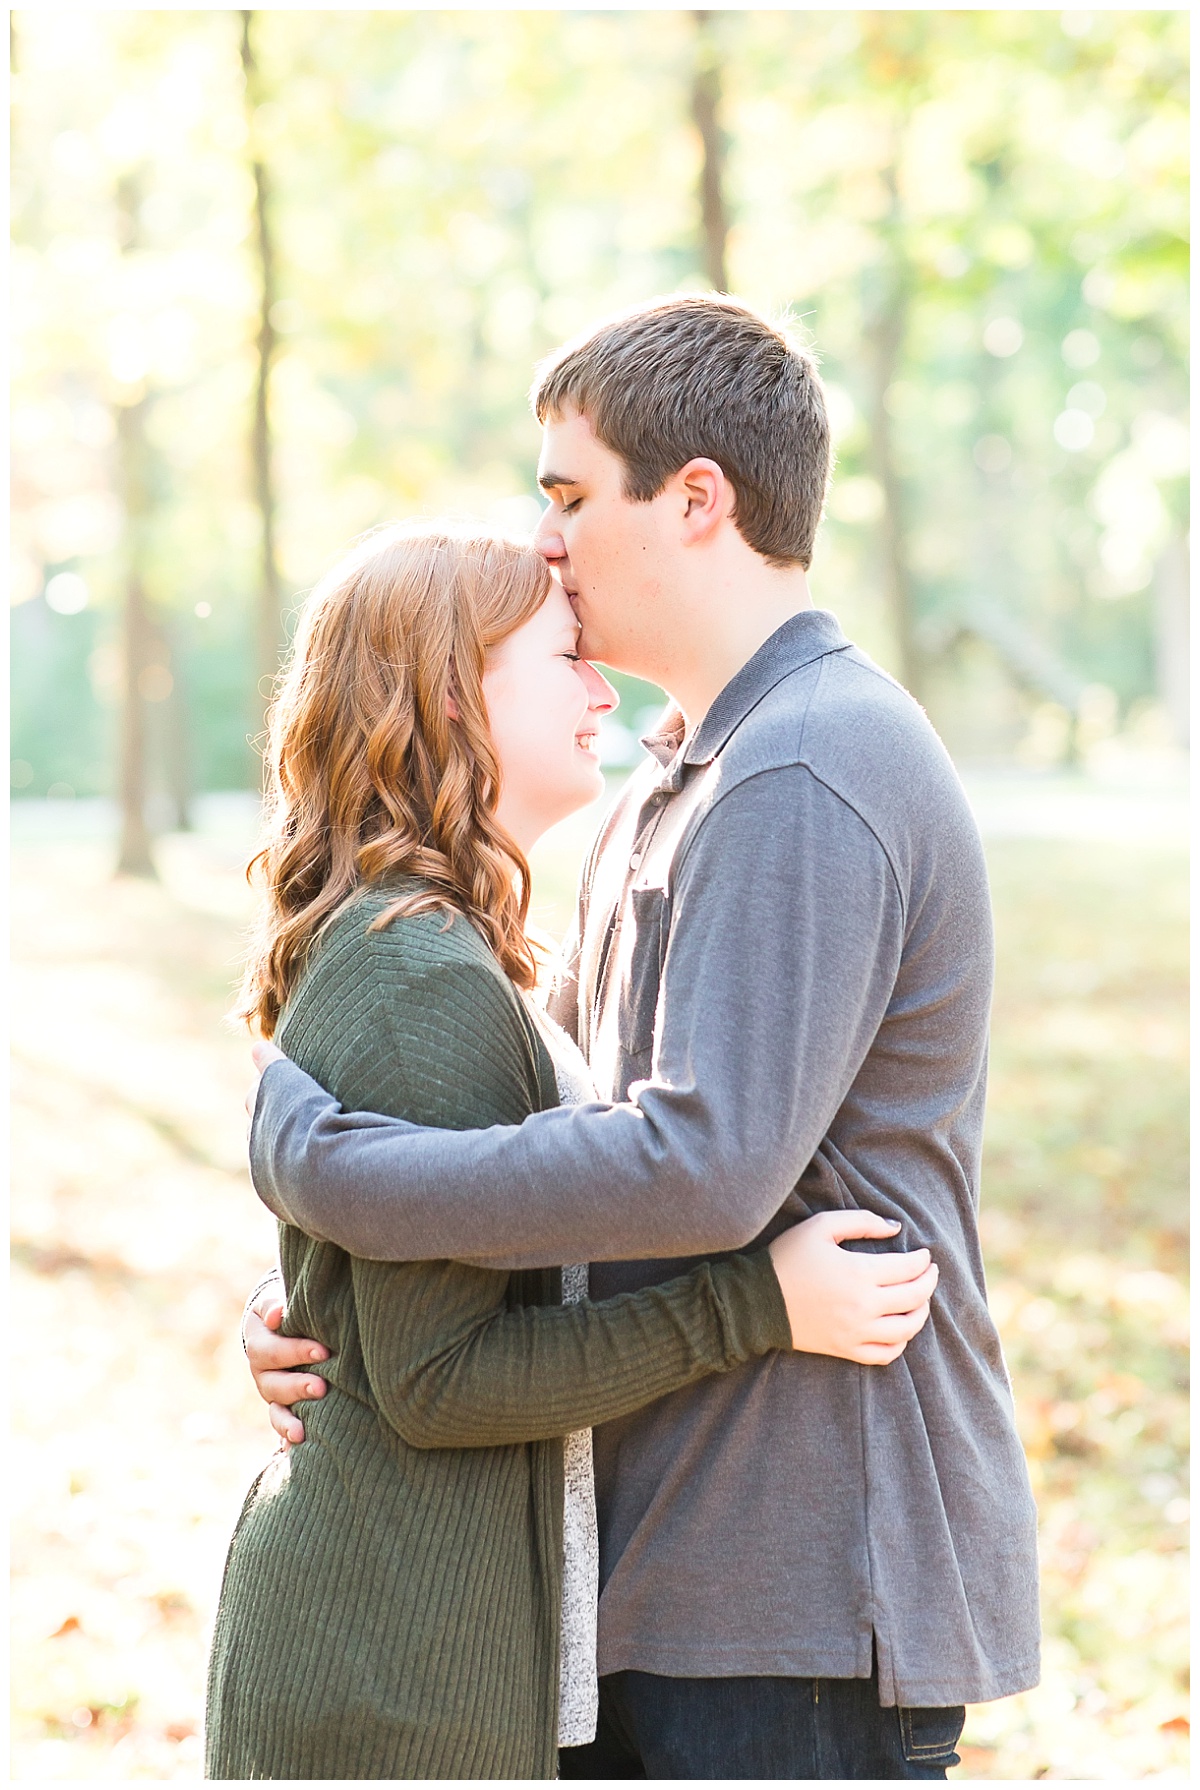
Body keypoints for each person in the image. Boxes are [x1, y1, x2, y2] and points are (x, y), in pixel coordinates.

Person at [245, 295, 1041, 1780]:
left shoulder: (810, 763)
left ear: (695, 500)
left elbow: (703, 1164)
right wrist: (322, 1300)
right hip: (669, 1570)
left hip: (796, 1588)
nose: (542, 541)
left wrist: (330, 1178)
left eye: (567, 495)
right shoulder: (680, 779)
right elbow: (518, 1126)